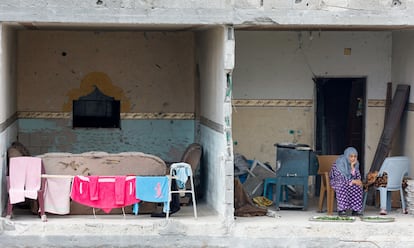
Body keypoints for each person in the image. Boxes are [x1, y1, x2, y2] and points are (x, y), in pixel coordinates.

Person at [329, 147, 363, 216]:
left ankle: (355, 210)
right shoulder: (339, 163)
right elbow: (340, 177)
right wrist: (353, 181)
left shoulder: (356, 163)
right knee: (342, 185)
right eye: (351, 156)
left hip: (350, 181)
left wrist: (353, 167)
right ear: (347, 156)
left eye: (355, 156)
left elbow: (358, 178)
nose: (353, 158)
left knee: (357, 186)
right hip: (337, 181)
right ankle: (341, 210)